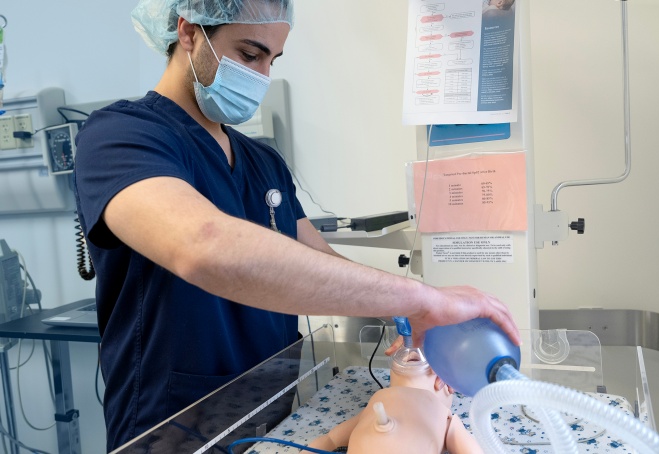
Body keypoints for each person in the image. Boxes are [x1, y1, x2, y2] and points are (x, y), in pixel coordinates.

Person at [74, 0, 520, 450]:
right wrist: (423, 298)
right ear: (189, 33)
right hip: (172, 424)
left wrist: (410, 313)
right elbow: (203, 246)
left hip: (272, 410)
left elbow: (317, 257)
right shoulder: (121, 136)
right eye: (250, 55)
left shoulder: (263, 161)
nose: (262, 76)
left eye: (272, 59)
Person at [305, 345, 483, 453]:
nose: (418, 353)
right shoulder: (377, 402)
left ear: (445, 389)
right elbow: (331, 439)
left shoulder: (443, 416)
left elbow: (331, 439)